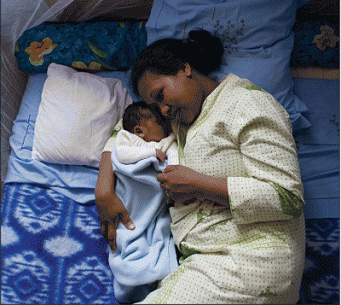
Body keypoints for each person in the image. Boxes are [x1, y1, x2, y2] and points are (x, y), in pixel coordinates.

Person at [96, 29, 305, 304]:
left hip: (252, 261)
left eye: (161, 95)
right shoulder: (181, 119)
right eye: (155, 106)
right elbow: (127, 128)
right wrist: (103, 188)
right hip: (200, 265)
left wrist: (199, 184)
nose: (163, 110)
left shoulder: (247, 103)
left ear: (185, 68)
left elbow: (287, 198)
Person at [101, 101, 179, 303]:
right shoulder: (126, 139)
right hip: (132, 200)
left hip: (156, 202)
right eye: (160, 124)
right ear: (139, 130)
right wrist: (150, 153)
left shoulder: (165, 142)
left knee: (158, 233)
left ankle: (153, 279)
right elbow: (123, 156)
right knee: (129, 237)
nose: (165, 129)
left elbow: (175, 160)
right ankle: (134, 277)